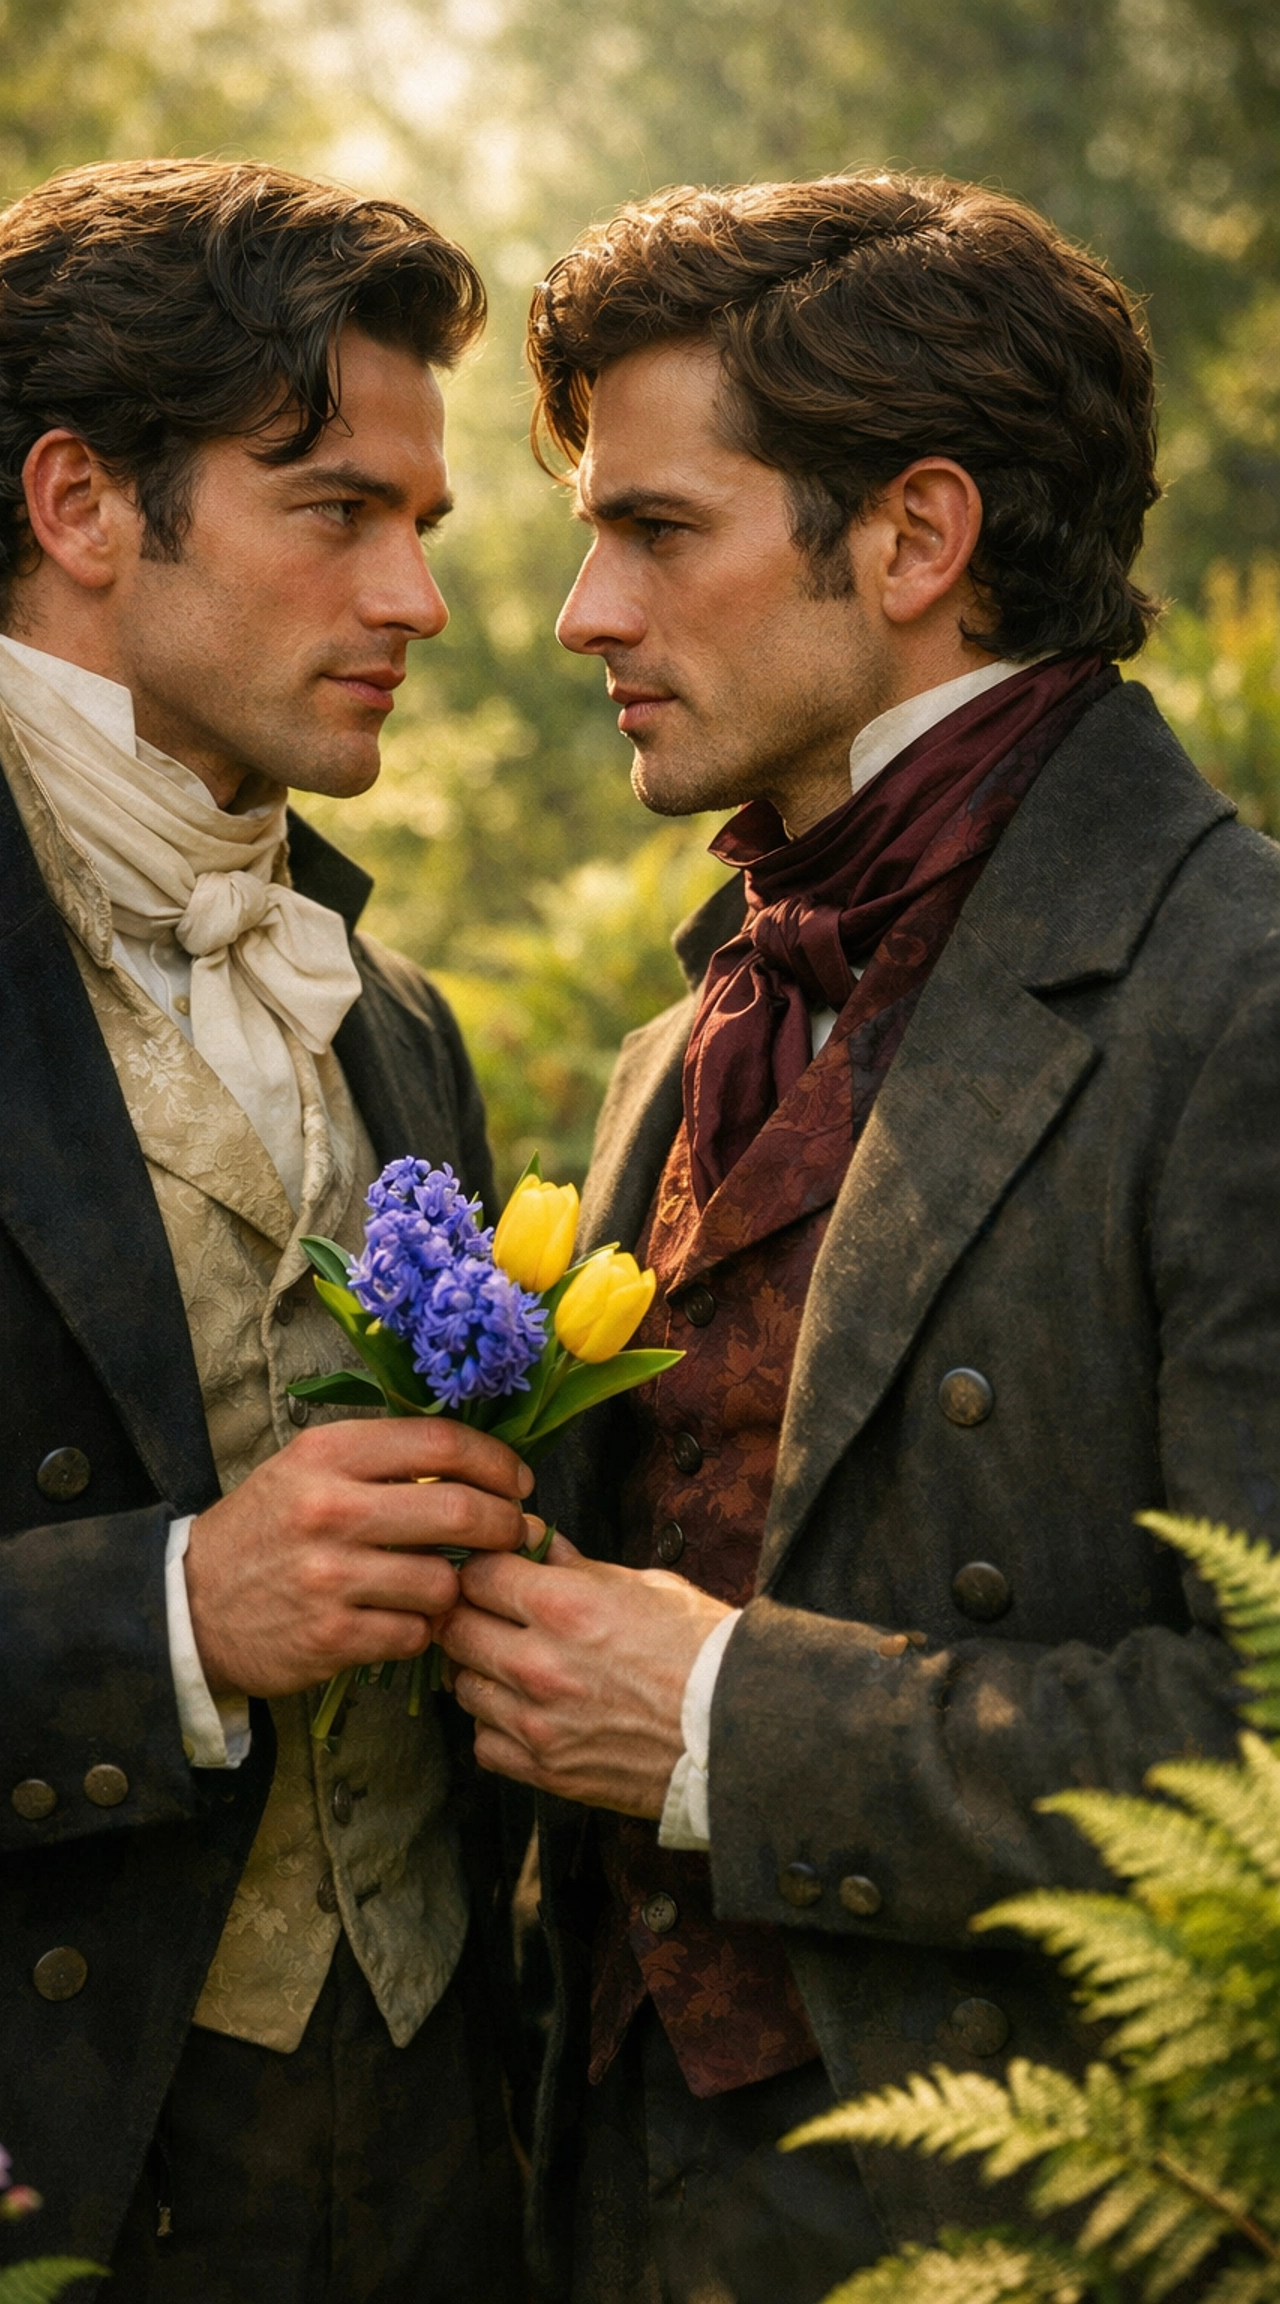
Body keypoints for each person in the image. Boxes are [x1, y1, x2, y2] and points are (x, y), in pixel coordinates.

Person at [440, 172, 1280, 2304]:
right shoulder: (681, 1044)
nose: (578, 620)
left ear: (916, 538)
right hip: (612, 2206)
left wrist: (730, 1723)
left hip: (1046, 2225)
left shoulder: (1244, 997)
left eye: (655, 531)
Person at [0, 159, 539, 2302]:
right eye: (336, 511)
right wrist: (175, 1611)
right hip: (6, 2183)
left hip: (449, 2168)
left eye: (423, 529)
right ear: (83, 505)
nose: (419, 603)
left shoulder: (389, 1015)